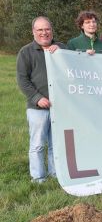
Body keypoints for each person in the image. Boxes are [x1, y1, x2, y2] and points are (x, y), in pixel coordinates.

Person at [16, 16, 66, 183]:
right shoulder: (26, 52)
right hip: (37, 108)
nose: (44, 33)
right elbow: (23, 80)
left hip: (59, 107)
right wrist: (37, 98)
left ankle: (54, 173)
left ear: (51, 30)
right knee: (37, 145)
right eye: (40, 30)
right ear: (33, 32)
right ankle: (38, 178)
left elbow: (73, 67)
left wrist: (58, 48)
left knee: (56, 144)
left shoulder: (61, 48)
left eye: (47, 29)